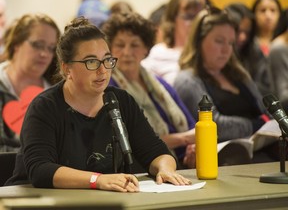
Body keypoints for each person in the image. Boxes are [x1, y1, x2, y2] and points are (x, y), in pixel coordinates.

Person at [5, 17, 191, 191]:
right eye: (91, 62)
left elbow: (156, 151)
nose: (102, 70)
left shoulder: (120, 100)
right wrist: (97, 180)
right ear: (66, 68)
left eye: (107, 60)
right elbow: (40, 170)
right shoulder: (45, 106)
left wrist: (165, 169)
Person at [174, 7, 276, 163]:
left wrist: (271, 125)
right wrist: (260, 124)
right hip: (226, 159)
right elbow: (215, 126)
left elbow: (265, 110)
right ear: (199, 41)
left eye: (230, 43)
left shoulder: (238, 74)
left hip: (262, 149)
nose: (226, 50)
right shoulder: (188, 80)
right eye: (219, 41)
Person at [102, 12, 196, 169]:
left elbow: (192, 127)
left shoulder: (159, 83)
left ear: (146, 49)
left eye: (134, 45)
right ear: (110, 48)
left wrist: (192, 150)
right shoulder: (109, 88)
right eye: (120, 45)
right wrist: (183, 139)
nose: (126, 52)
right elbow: (134, 142)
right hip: (145, 168)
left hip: (182, 164)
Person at [0, 13, 60, 152]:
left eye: (51, 48)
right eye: (38, 45)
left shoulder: (56, 95)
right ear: (16, 44)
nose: (44, 54)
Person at [142, 0, 207, 86]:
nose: (195, 24)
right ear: (172, 19)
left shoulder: (208, 52)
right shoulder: (159, 53)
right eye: (188, 17)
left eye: (199, 18)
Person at [244, 0, 283, 96]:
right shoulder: (246, 44)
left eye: (273, 10)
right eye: (262, 10)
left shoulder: (283, 44)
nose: (268, 15)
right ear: (254, 14)